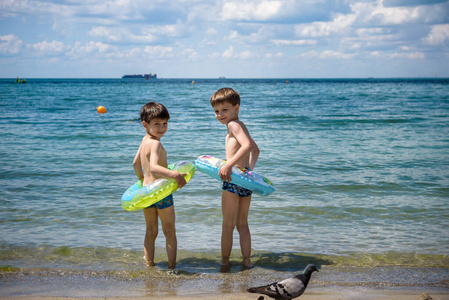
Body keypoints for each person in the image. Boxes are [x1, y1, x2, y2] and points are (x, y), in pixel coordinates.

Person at [132, 101, 186, 269]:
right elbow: (155, 167)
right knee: (169, 231)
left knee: (150, 231)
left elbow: (135, 164)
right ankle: (171, 267)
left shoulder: (144, 140)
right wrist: (175, 175)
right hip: (161, 193)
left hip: (147, 193)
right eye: (157, 124)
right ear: (145, 124)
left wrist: (142, 180)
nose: (162, 128)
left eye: (165, 123)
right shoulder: (155, 143)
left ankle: (149, 264)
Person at [210, 87, 260, 269]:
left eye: (225, 110)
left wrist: (228, 165)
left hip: (232, 180)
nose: (220, 114)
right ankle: (246, 261)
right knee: (243, 224)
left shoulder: (233, 125)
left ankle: (225, 263)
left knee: (227, 225)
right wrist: (249, 170)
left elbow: (246, 146)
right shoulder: (241, 125)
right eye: (216, 111)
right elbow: (256, 150)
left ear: (236, 108)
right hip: (244, 180)